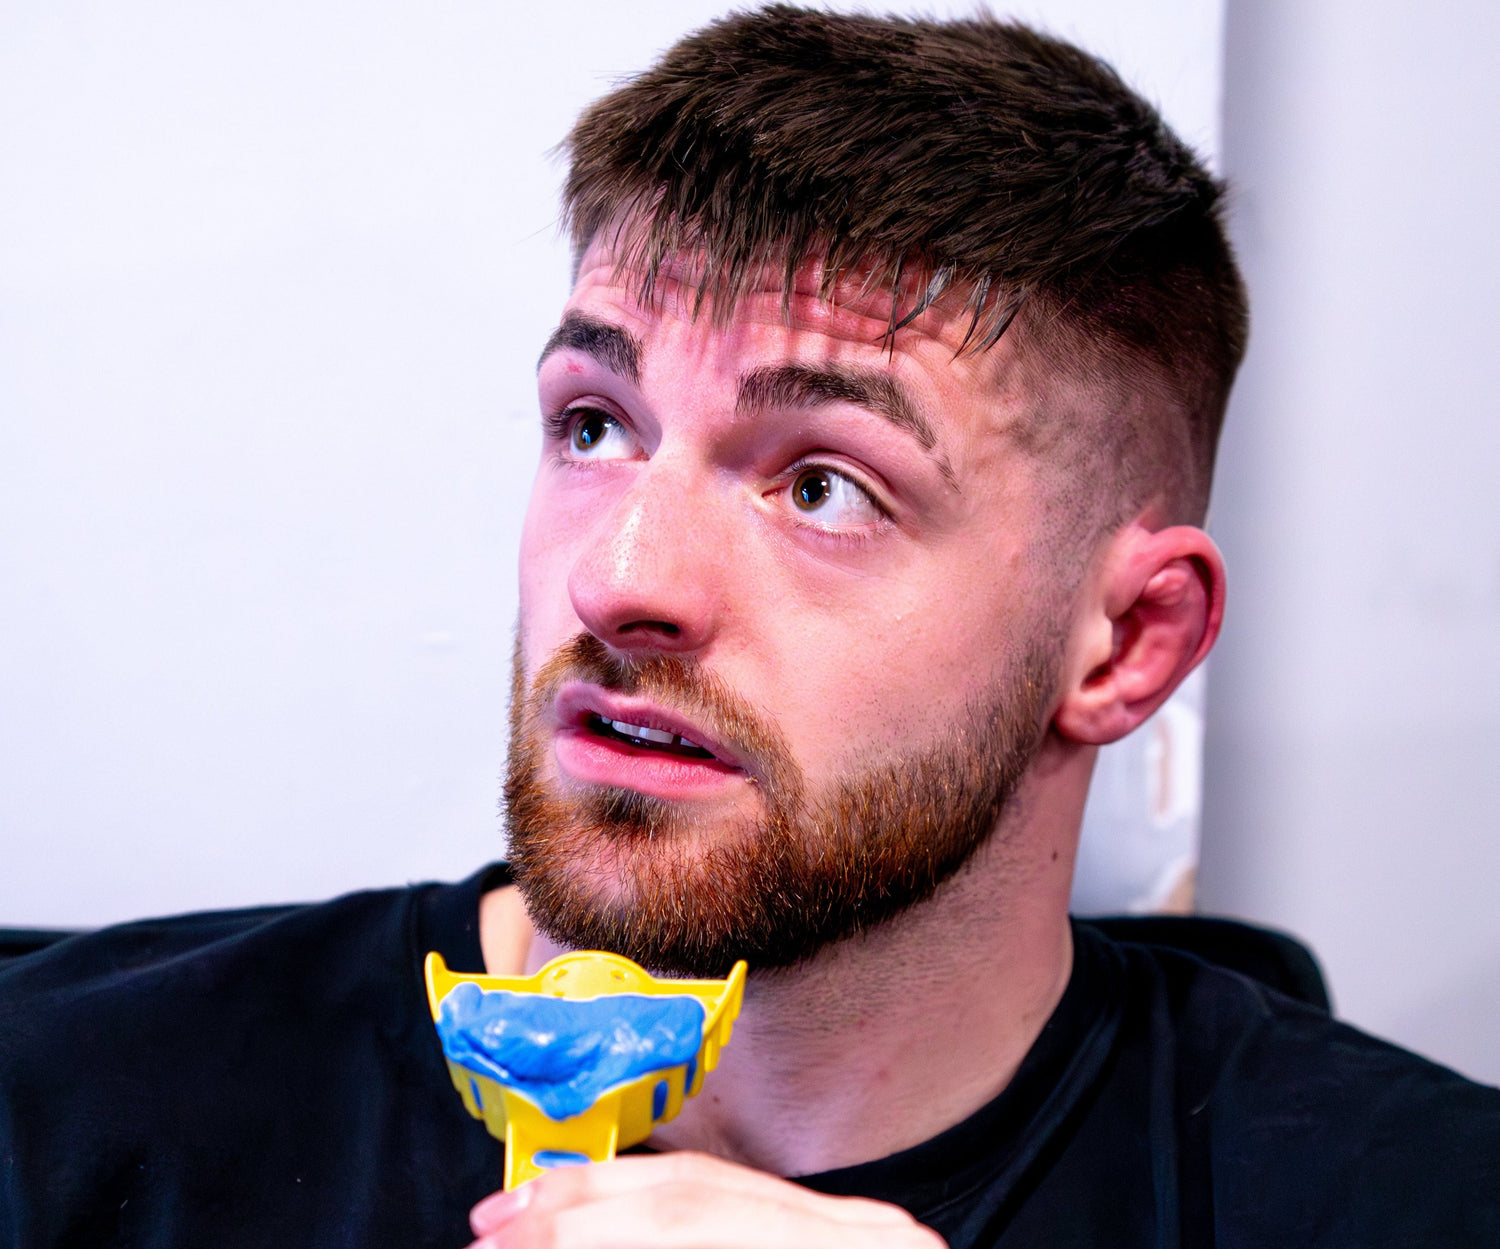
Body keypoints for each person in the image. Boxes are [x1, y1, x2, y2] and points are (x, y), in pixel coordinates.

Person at [1, 7, 1496, 1247]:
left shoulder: (1413, 1200)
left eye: (826, 485)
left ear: (1125, 643)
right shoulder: (64, 1110)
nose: (620, 579)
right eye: (595, 425)